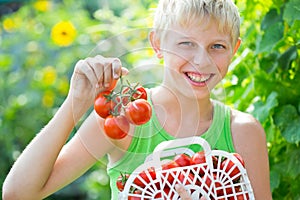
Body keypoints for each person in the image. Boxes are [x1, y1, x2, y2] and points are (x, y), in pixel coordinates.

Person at [2, 0, 272, 199]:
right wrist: (75, 104)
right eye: (186, 44)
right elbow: (18, 193)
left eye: (217, 46)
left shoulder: (242, 133)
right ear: (156, 44)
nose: (202, 61)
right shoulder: (122, 123)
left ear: (234, 50)